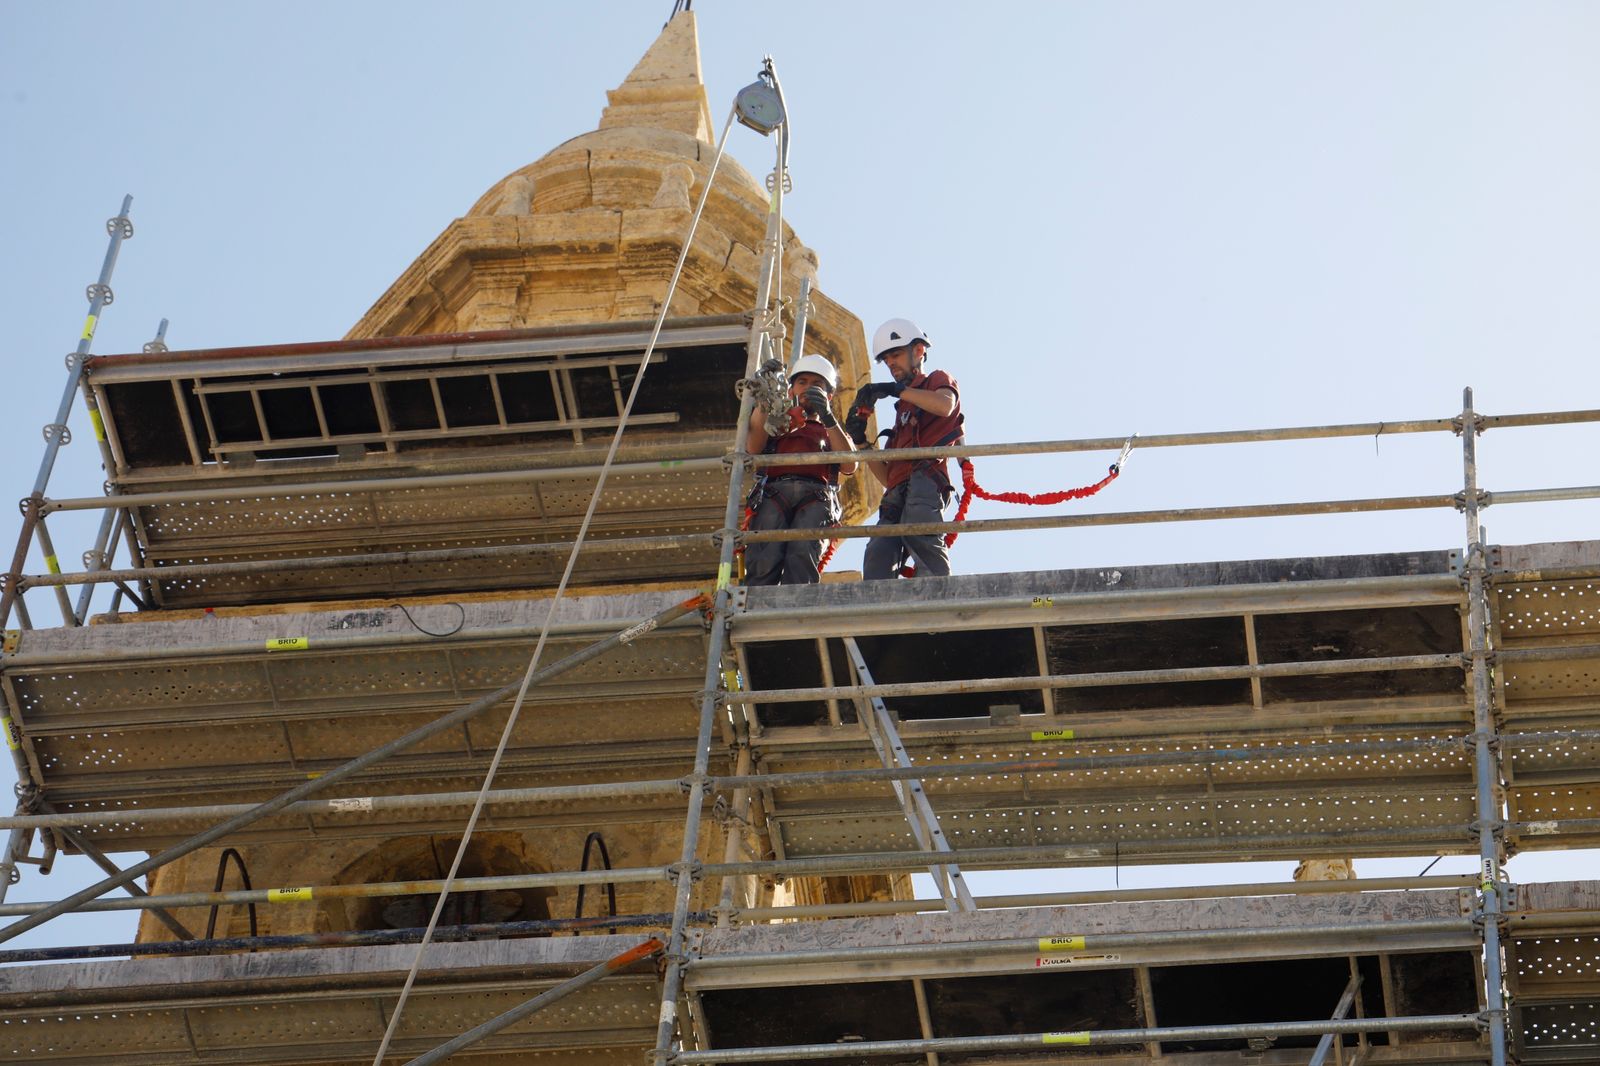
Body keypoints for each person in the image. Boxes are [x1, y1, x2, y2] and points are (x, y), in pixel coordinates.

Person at [848, 318, 963, 580]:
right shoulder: (901, 416)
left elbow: (945, 405)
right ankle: (880, 614)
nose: (891, 364)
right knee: (879, 550)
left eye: (896, 355)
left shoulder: (937, 379)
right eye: (886, 360)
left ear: (919, 351)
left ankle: (937, 602)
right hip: (897, 491)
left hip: (926, 482)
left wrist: (896, 390)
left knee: (920, 536)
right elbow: (888, 477)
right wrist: (860, 440)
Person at [743, 354, 858, 585]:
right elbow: (753, 446)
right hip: (774, 493)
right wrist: (765, 392)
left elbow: (849, 464)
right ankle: (758, 610)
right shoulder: (779, 422)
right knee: (765, 558)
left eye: (817, 384)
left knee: (802, 556)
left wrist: (827, 416)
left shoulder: (830, 429)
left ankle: (796, 611)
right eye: (802, 382)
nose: (808, 388)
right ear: (791, 390)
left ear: (829, 394)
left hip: (816, 497)